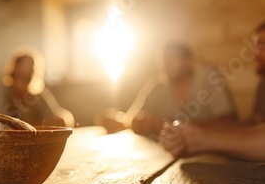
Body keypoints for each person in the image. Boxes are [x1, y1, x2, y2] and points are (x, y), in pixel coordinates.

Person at [160, 23, 265, 161]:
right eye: (255, 45)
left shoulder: (208, 75)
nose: (254, 52)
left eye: (262, 44)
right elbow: (254, 126)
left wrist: (204, 139)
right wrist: (193, 130)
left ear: (188, 61)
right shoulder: (262, 87)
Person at [100, 43, 236, 137]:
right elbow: (135, 117)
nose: (165, 65)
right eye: (163, 60)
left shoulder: (209, 77)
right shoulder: (158, 84)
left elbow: (230, 122)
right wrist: (125, 121)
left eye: (171, 59)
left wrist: (171, 126)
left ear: (188, 61)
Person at [0, 47, 74, 127]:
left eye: (33, 66)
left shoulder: (36, 95)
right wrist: (39, 125)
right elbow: (2, 124)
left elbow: (58, 118)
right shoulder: (0, 92)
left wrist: (61, 120)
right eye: (28, 65)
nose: (32, 69)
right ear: (15, 68)